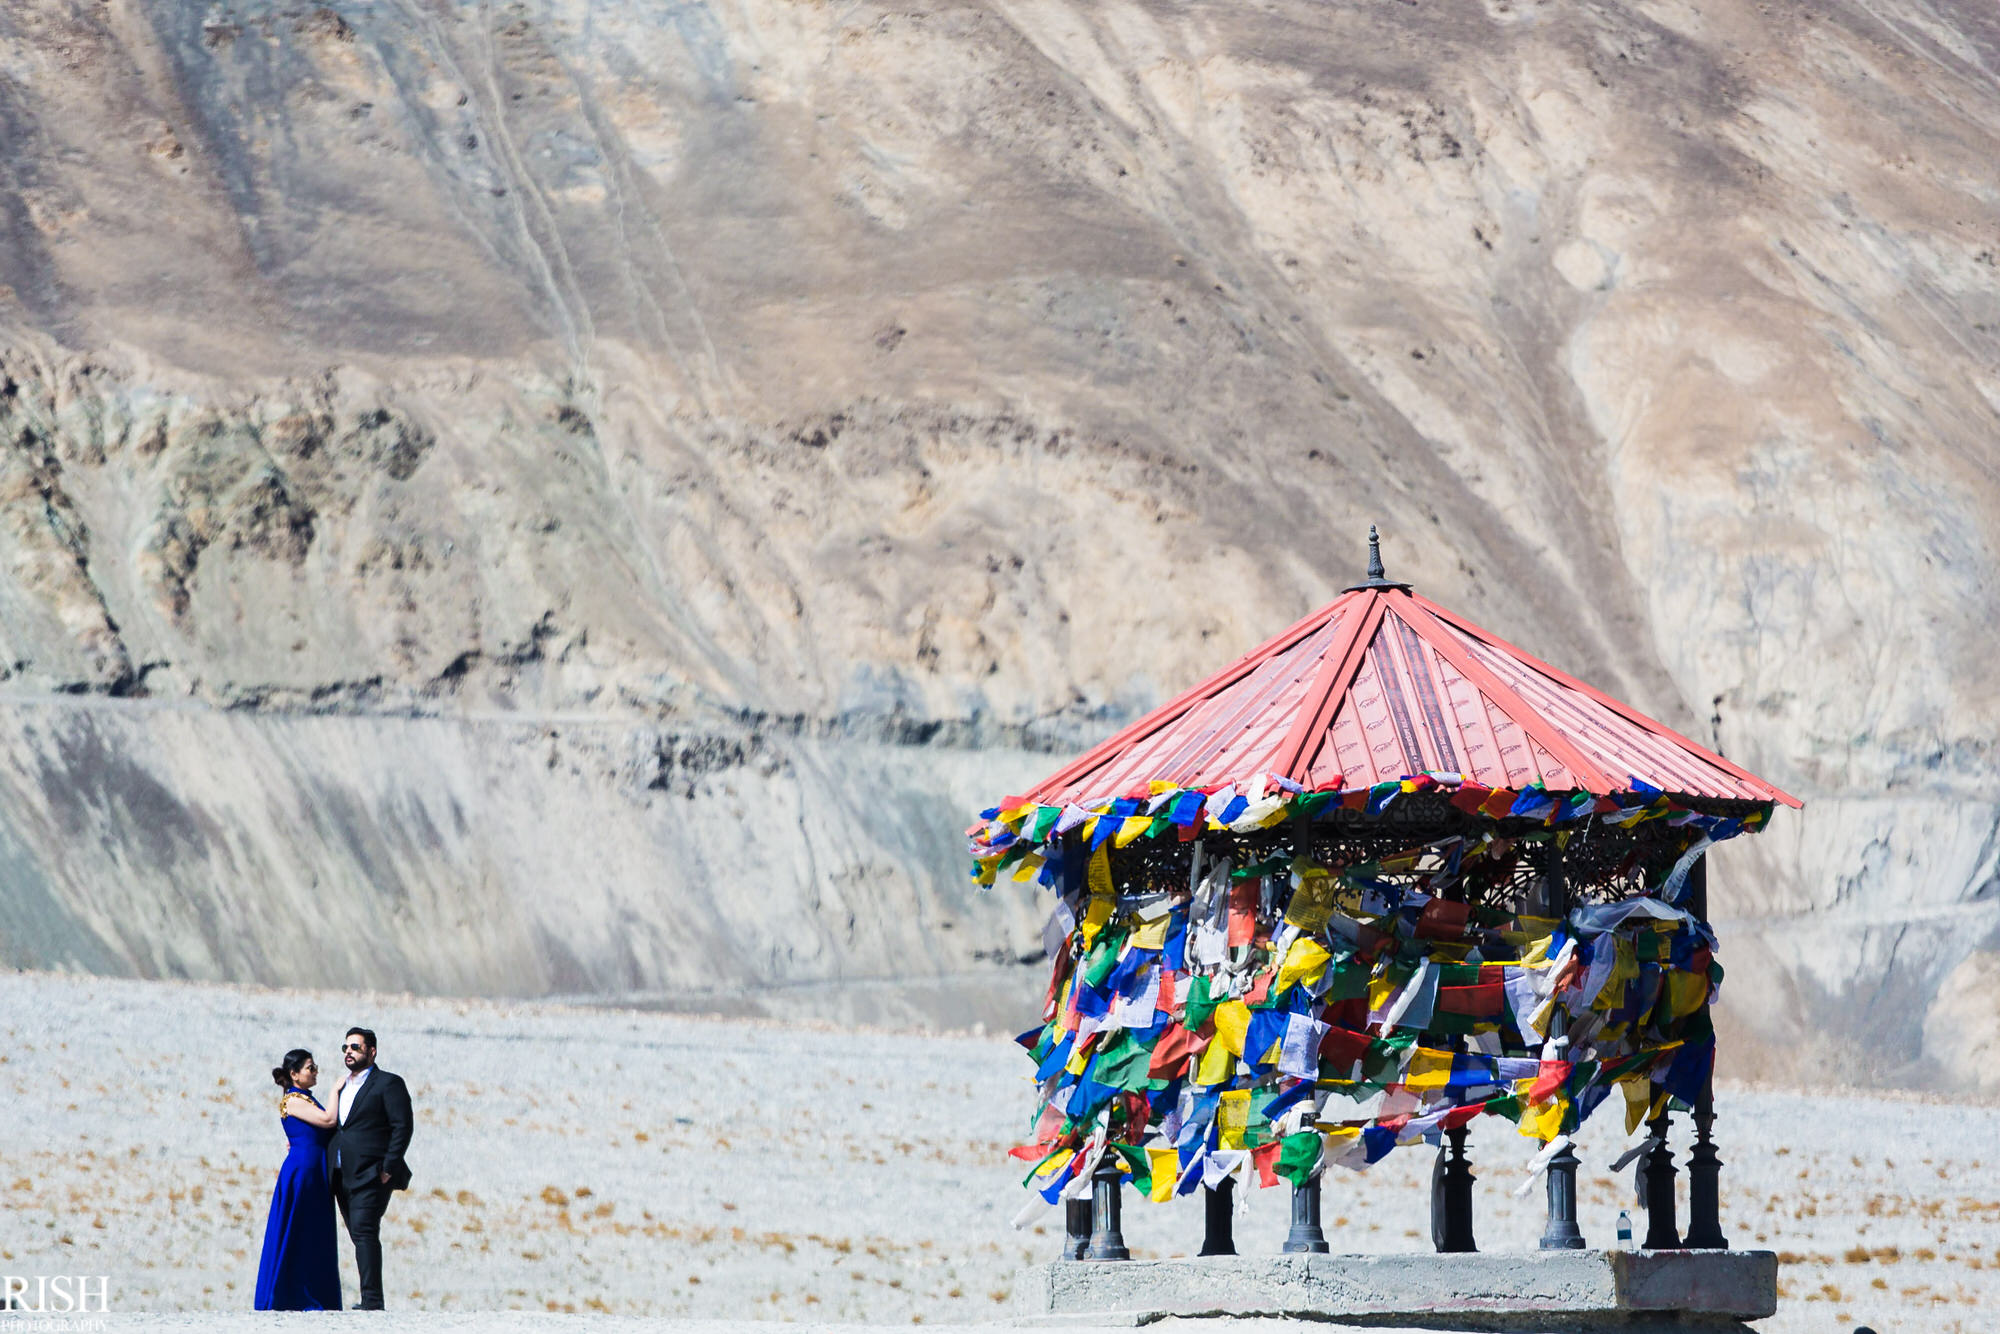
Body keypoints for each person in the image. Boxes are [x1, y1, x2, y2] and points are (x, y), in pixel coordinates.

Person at [329, 1027, 414, 1311]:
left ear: (372, 1051)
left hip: (372, 1172)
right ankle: (369, 1297)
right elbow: (335, 1125)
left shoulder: (388, 1083)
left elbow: (402, 1126)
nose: (349, 1052)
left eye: (355, 1047)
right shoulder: (341, 1085)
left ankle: (372, 1301)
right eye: (346, 1048)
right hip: (340, 1172)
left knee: (365, 1230)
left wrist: (388, 1167)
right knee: (356, 1232)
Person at [252, 1050, 342, 1311]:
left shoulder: (306, 1099)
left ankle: (313, 1291)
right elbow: (328, 1120)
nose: (315, 1072)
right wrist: (336, 1090)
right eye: (310, 1068)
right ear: (294, 1074)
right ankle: (290, 1293)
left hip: (314, 1171)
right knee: (297, 1227)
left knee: (311, 1230)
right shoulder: (292, 1100)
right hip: (302, 1172)